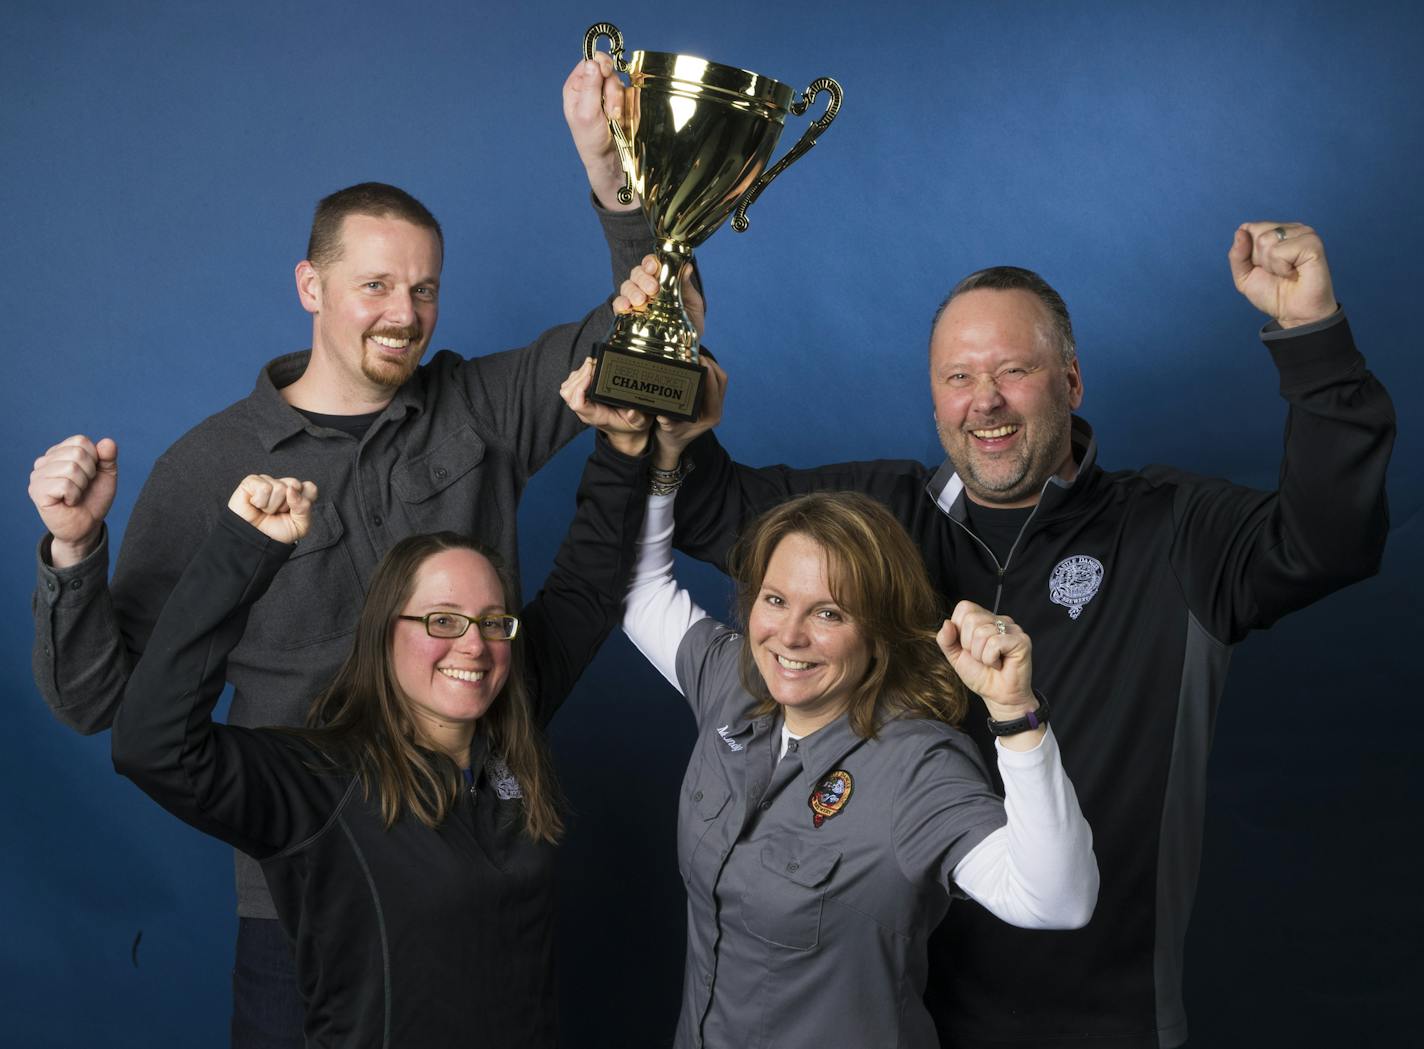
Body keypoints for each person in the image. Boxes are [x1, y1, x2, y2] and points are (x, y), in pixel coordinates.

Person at [622, 222, 1396, 1047]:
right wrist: (654, 289)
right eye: (958, 377)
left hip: (1101, 1016)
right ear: (932, 395)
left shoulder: (1174, 530)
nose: (983, 400)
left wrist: (1313, 339)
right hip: (900, 1013)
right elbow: (698, 500)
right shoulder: (880, 516)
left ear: (1070, 380)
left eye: (1013, 372)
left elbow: (1331, 540)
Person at [28, 55, 648, 1047]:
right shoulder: (209, 466)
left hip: (475, 870)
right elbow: (96, 705)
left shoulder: (478, 406)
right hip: (300, 893)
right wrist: (72, 549)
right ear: (310, 285)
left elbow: (649, 349)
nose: (403, 313)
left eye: (424, 289)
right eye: (374, 285)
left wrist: (612, 181)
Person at [563, 363, 1098, 1048]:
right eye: (776, 600)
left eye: (828, 612)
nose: (789, 635)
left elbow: (1059, 899)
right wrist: (663, 457)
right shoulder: (737, 683)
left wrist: (1016, 713)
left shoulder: (914, 764)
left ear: (876, 628)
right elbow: (638, 590)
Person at [110, 412, 650, 1048]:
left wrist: (625, 445)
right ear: (385, 634)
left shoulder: (508, 731)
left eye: (492, 621)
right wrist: (243, 551)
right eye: (442, 621)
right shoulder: (318, 784)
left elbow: (586, 589)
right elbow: (152, 744)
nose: (472, 646)